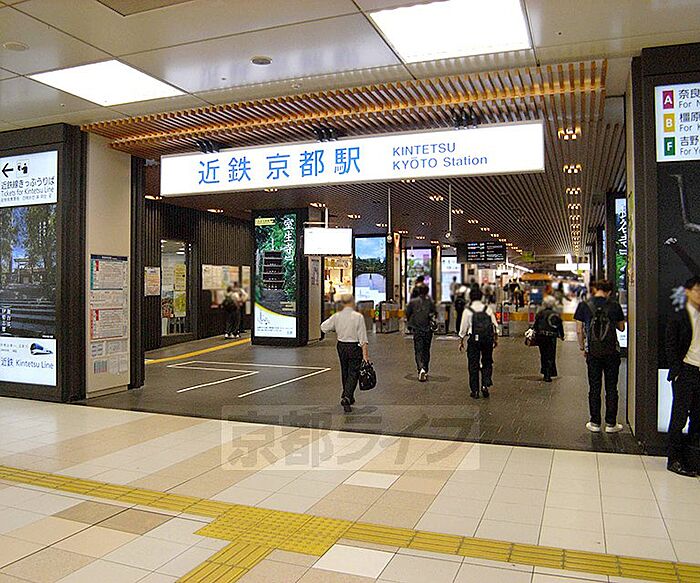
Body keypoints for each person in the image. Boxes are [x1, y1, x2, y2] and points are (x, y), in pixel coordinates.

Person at [574, 280, 626, 433]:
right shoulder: (614, 305)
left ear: (595, 289)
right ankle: (611, 424)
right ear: (609, 291)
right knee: (612, 388)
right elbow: (622, 328)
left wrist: (582, 347)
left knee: (594, 387)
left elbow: (579, 330)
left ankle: (595, 422)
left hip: (593, 352)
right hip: (612, 353)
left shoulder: (584, 305)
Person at [665, 275, 700, 477]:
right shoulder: (679, 315)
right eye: (697, 290)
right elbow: (670, 343)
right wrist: (676, 370)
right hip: (686, 371)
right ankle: (674, 459)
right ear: (687, 292)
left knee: (697, 417)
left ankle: (692, 458)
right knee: (679, 417)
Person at [321, 294, 370, 413]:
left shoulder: (337, 316)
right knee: (354, 372)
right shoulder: (358, 317)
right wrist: (365, 356)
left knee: (345, 371)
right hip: (354, 347)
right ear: (352, 303)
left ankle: (348, 395)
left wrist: (336, 328)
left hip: (341, 346)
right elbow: (363, 338)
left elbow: (323, 327)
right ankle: (347, 397)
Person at [459, 288, 499, 399]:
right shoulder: (487, 309)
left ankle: (475, 390)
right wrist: (495, 339)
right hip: (487, 339)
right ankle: (485, 384)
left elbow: (463, 328)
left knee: (473, 364)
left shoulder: (468, 311)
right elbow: (495, 326)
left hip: (474, 340)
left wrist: (461, 340)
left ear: (470, 297)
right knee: (487, 361)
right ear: (481, 297)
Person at [406, 284, 437, 382]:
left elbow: (408, 313)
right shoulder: (430, 302)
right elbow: (435, 313)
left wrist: (411, 322)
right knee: (426, 350)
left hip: (417, 330)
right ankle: (425, 370)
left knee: (418, 350)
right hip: (428, 330)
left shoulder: (413, 302)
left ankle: (421, 369)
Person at [534, 295, 565, 382]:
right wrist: (561, 335)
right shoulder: (555, 314)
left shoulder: (540, 313)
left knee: (543, 354)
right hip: (551, 337)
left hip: (541, 337)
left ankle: (544, 372)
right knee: (550, 355)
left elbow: (536, 325)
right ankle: (548, 374)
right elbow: (559, 326)